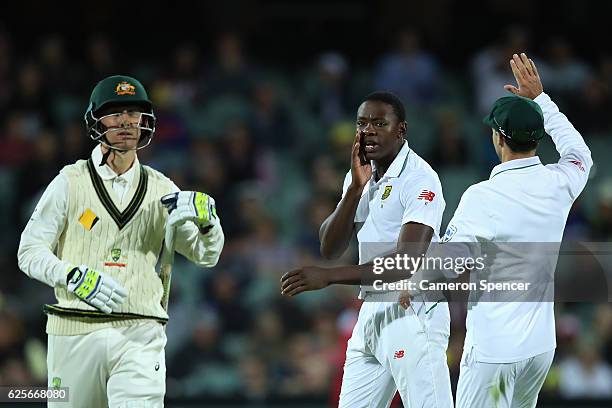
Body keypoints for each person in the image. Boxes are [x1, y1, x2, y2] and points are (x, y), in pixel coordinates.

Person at [17, 75, 225, 407]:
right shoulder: (69, 181)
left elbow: (205, 255)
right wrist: (73, 276)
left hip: (140, 332)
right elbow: (28, 252)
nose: (126, 122)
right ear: (96, 119)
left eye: (133, 113)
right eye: (115, 113)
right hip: (74, 330)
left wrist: (209, 224)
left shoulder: (163, 189)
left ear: (145, 121)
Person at [402, 53, 592, 407]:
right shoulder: (560, 182)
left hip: (495, 354)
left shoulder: (483, 196)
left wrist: (411, 286)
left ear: (499, 139)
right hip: (539, 348)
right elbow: (579, 152)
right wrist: (541, 100)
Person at [281, 92, 453, 407]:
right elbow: (329, 247)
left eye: (379, 123)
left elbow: (406, 263)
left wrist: (330, 278)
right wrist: (355, 189)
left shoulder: (419, 178)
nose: (368, 130)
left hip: (413, 309)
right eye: (362, 123)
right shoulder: (361, 173)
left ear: (401, 130)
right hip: (371, 312)